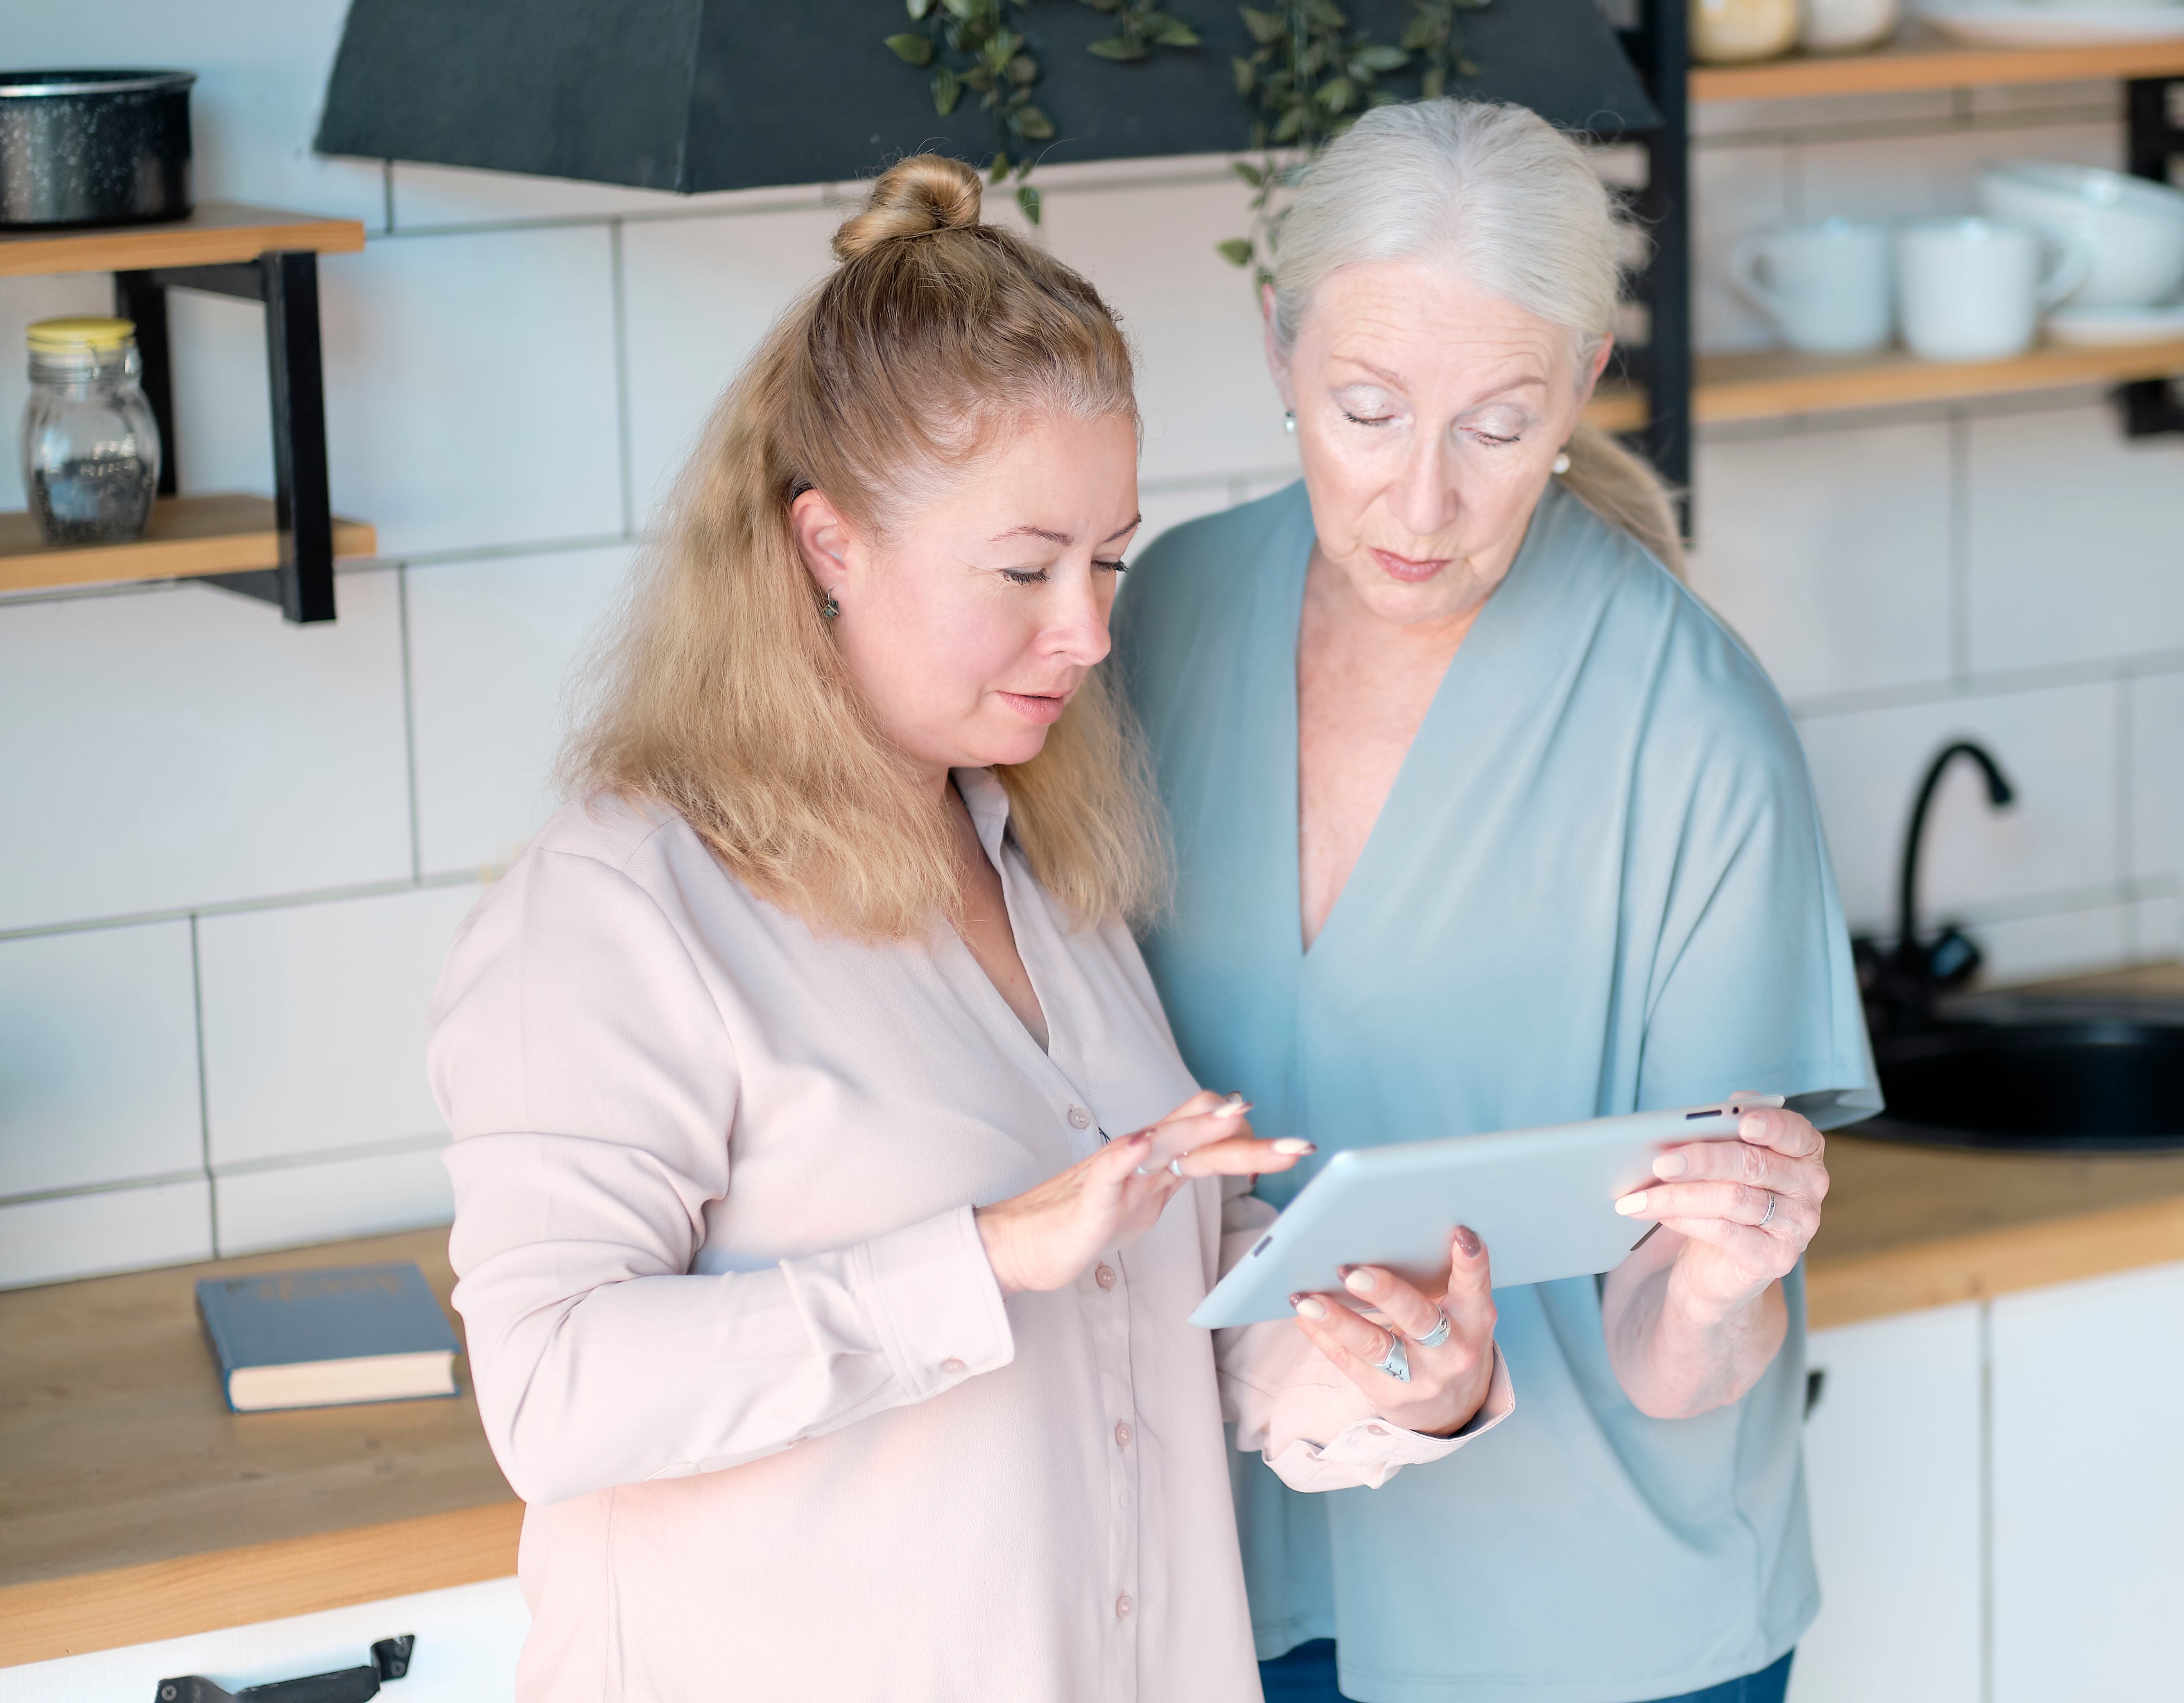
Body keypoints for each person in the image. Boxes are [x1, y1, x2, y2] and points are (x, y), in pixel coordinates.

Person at [426, 153, 1507, 1703]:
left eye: (1109, 561)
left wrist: (1401, 1375)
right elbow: (554, 1395)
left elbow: (1139, 1328)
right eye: (1024, 569)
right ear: (827, 546)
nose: (1089, 631)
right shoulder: (617, 909)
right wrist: (986, 1256)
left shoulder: (1035, 860)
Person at [1112, 102, 1881, 1703]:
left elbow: (1678, 1350)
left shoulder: (1692, 729)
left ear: (1582, 384)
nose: (1420, 502)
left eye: (1496, 423)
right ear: (1278, 346)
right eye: (1368, 410)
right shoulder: (1167, 614)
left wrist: (1731, 1275)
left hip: (1589, 1623)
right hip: (1234, 1587)